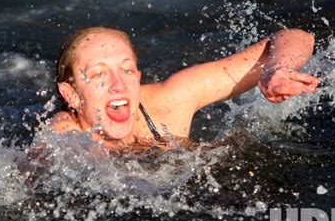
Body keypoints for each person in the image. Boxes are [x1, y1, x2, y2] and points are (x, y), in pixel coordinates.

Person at [50, 26, 318, 149]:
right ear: (71, 94)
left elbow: (296, 37)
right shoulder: (64, 138)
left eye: (127, 70)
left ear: (138, 76)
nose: (118, 85)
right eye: (99, 74)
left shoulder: (170, 101)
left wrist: (277, 69)